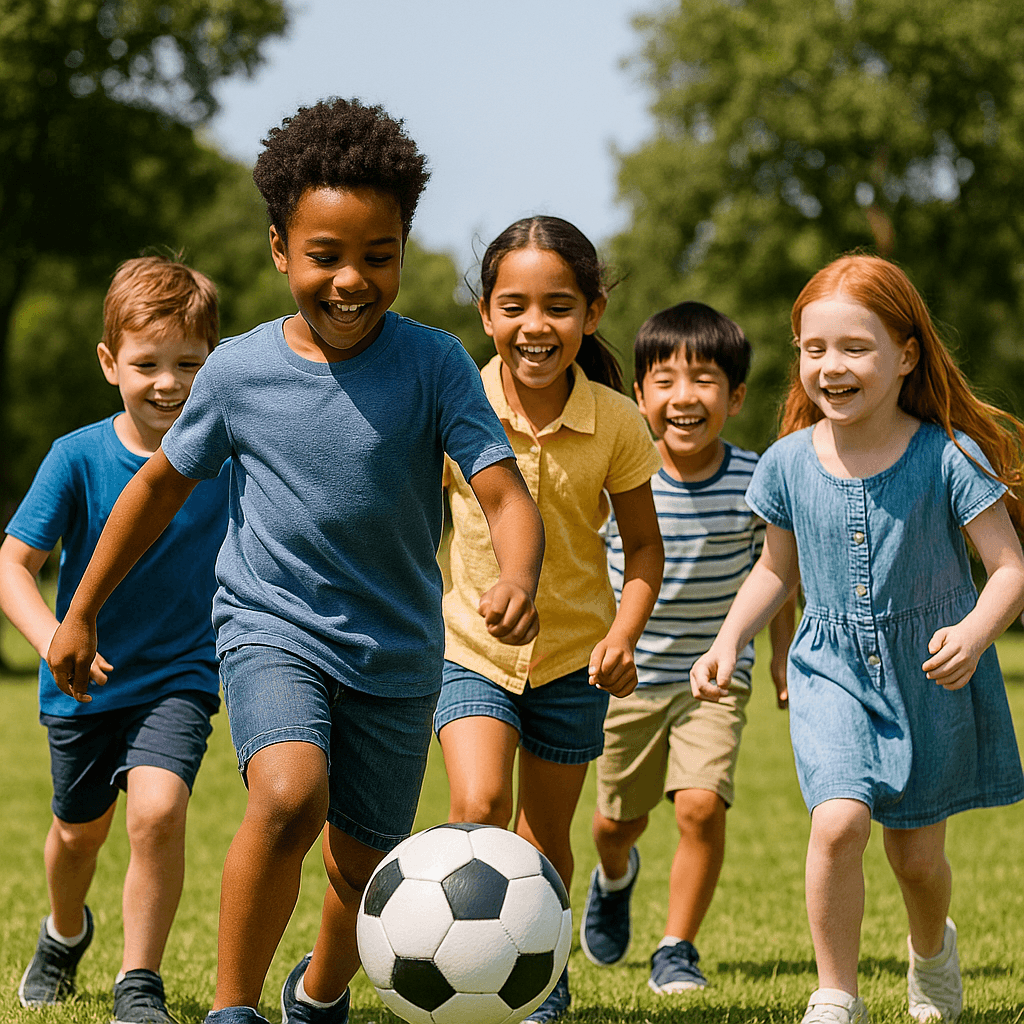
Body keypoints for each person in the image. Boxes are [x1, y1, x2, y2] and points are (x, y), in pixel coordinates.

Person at [45, 98, 545, 1024]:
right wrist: (79, 611)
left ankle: (317, 996)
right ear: (280, 249)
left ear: (403, 249)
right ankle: (232, 1010)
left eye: (379, 256)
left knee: (363, 864)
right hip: (271, 625)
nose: (352, 280)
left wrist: (516, 575)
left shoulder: (435, 364)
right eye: (325, 256)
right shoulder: (238, 372)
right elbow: (155, 489)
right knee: (288, 794)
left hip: (396, 651)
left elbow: (505, 494)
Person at [691, 254, 1024, 1024]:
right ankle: (836, 993)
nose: (830, 366)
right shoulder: (786, 462)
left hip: (929, 677)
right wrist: (729, 639)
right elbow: (776, 570)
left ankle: (930, 952)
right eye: (814, 349)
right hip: (830, 671)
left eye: (854, 347)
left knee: (917, 861)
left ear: (905, 356)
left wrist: (975, 633)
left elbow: (1009, 569)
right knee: (838, 823)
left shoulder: (948, 456)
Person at [438, 215, 665, 1023]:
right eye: (515, 306)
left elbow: (644, 548)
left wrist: (623, 635)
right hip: (471, 650)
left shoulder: (618, 420)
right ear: (486, 313)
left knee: (544, 838)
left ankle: (540, 975)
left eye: (559, 306)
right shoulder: (454, 404)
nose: (536, 326)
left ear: (592, 313)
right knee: (478, 805)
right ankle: (463, 967)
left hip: (575, 661)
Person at [0, 255, 227, 1024]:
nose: (168, 383)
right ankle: (64, 933)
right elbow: (13, 564)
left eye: (189, 364)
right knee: (77, 835)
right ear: (109, 363)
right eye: (147, 364)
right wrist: (51, 638)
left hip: (180, 675)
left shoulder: (228, 461)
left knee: (157, 812)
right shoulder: (76, 456)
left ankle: (139, 984)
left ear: (214, 362)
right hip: (83, 685)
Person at [580, 301, 796, 993]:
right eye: (665, 380)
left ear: (736, 397)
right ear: (639, 396)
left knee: (701, 806)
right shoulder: (621, 477)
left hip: (714, 677)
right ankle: (615, 877)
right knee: (616, 823)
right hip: (628, 680)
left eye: (705, 380)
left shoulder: (756, 481)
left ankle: (677, 948)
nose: (684, 396)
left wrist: (782, 657)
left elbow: (778, 575)